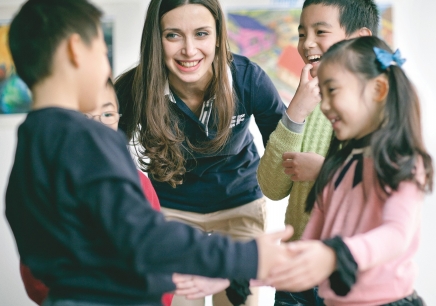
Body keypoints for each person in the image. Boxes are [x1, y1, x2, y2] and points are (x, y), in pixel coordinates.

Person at [4, 1, 295, 306]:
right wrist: (249, 256)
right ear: (77, 49)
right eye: (104, 53)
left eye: (201, 34)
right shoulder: (87, 140)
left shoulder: (33, 139)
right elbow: (145, 237)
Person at [115, 0, 285, 305]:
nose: (189, 50)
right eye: (173, 35)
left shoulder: (248, 79)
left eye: (202, 34)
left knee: (241, 300)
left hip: (239, 204)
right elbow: (105, 159)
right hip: (171, 211)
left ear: (219, 36)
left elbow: (284, 146)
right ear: (156, 38)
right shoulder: (133, 88)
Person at [267, 36, 433, 306]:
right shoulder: (336, 167)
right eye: (322, 93)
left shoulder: (401, 161)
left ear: (378, 90)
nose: (324, 105)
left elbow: (396, 235)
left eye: (332, 90)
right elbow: (309, 244)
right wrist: (246, 272)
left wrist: (336, 254)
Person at [257, 0, 379, 304]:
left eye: (320, 31)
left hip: (351, 271)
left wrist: (326, 171)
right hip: (298, 269)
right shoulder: (307, 103)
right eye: (301, 33)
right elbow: (271, 188)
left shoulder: (381, 106)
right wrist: (296, 111)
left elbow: (388, 187)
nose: (307, 43)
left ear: (360, 38)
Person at [18, 79, 173, 306]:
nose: (98, 125)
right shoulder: (49, 185)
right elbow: (35, 267)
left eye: (107, 114)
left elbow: (159, 256)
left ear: (118, 119)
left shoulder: (138, 184)